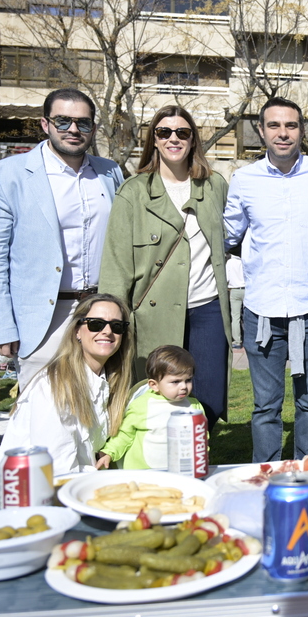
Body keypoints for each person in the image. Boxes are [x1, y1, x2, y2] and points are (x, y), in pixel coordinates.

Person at [0, 89, 125, 385]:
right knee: (41, 411)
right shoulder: (4, 176)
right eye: (62, 120)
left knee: (99, 409)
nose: (72, 129)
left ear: (93, 129)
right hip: (41, 318)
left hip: (99, 314)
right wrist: (2, 328)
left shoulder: (111, 172)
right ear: (45, 124)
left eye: (82, 123)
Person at [99, 105, 231, 424]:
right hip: (153, 314)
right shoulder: (133, 192)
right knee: (156, 400)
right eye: (164, 132)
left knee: (208, 400)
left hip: (208, 309)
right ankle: (156, 467)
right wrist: (111, 322)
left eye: (182, 132)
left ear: (193, 140)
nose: (174, 138)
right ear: (154, 140)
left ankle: (197, 461)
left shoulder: (214, 186)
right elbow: (117, 265)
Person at [224, 97, 308, 463]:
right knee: (265, 406)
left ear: (302, 130)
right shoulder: (244, 179)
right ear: (261, 130)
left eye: (291, 125)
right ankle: (265, 476)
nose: (283, 133)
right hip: (263, 311)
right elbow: (228, 233)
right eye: (274, 125)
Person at [0, 294, 134, 493]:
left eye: (117, 326)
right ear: (77, 331)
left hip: (75, 486)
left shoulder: (110, 380)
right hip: (38, 495)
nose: (107, 331)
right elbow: (56, 466)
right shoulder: (54, 385)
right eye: (96, 324)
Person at [98, 344, 205, 470]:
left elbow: (201, 438)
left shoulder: (194, 406)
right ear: (154, 385)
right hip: (142, 472)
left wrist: (202, 458)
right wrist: (109, 452)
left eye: (188, 380)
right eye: (175, 382)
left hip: (180, 471)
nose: (183, 386)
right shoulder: (142, 405)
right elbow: (125, 434)